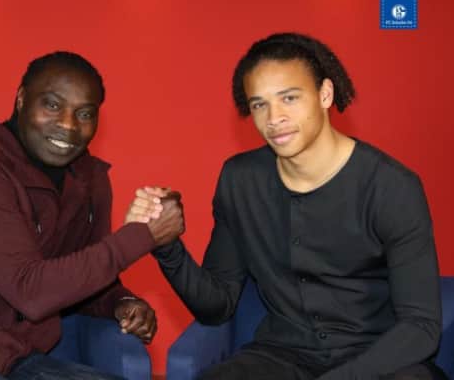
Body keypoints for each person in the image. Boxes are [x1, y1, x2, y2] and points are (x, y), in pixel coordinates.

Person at [131, 33, 447, 379]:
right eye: (259, 105)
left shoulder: (392, 187)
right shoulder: (240, 180)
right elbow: (217, 307)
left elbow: (421, 326)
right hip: (281, 357)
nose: (274, 117)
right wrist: (167, 246)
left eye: (289, 98)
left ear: (325, 94)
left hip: (377, 361)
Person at [0, 51, 184, 380]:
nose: (68, 125)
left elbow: (78, 282)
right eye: (52, 105)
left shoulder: (89, 180)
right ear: (21, 98)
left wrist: (120, 303)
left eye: (85, 113)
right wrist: (143, 234)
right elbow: (32, 292)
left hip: (14, 356)